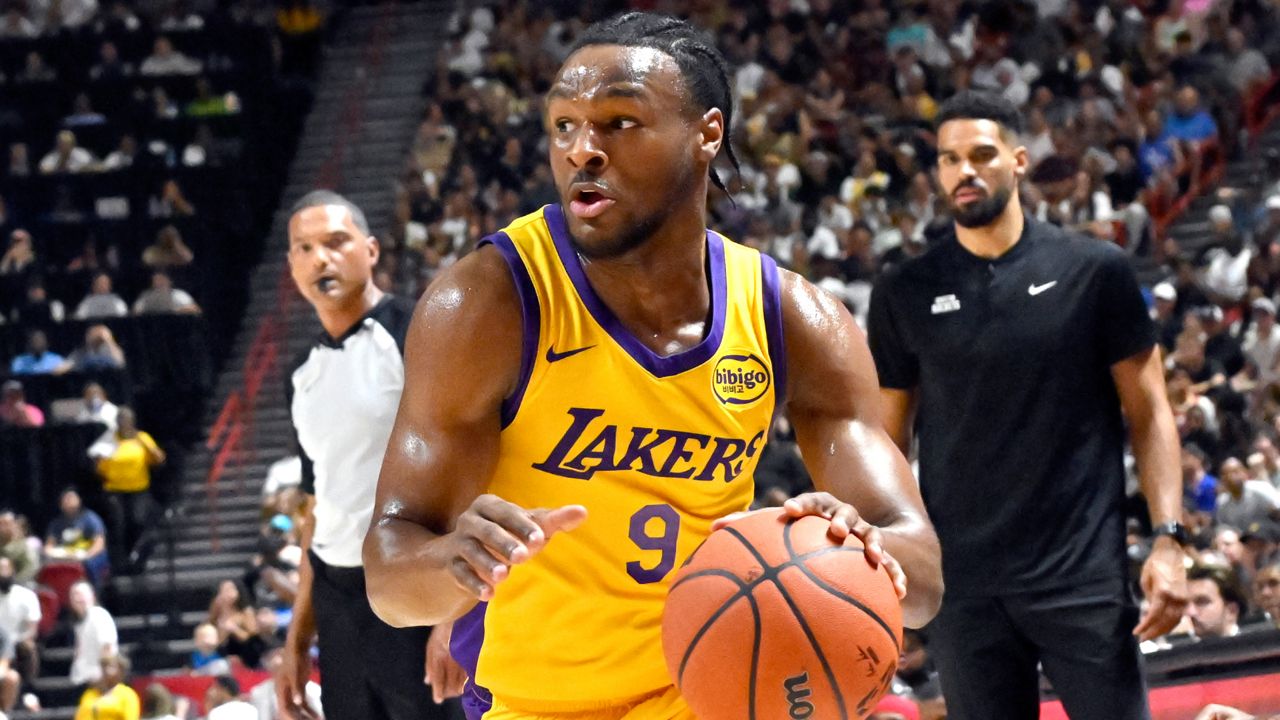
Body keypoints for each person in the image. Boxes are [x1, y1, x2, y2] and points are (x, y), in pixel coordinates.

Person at [364, 13, 943, 720]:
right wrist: (453, 562)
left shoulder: (793, 319)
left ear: (707, 134)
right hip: (534, 700)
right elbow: (390, 577)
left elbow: (922, 582)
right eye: (565, 126)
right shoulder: (488, 303)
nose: (584, 151)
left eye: (619, 122)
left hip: (708, 692)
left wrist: (858, 548)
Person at [866, 90, 1187, 720]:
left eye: (982, 154)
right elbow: (885, 443)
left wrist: (1168, 540)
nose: (965, 171)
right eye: (949, 159)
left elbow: (1150, 414)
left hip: (1082, 573)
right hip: (963, 586)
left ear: (1017, 161)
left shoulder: (1095, 270)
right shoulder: (904, 290)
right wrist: (884, 558)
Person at [277, 190, 459, 720]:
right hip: (337, 604)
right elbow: (318, 507)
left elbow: (468, 472)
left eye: (336, 242)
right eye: (305, 249)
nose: (321, 259)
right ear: (291, 265)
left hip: (413, 586)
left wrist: (453, 616)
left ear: (371, 249)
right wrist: (296, 639)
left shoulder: (417, 333)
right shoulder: (300, 373)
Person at [91, 407, 163, 569]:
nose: (123, 422)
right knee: (118, 523)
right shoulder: (109, 439)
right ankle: (119, 562)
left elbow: (158, 458)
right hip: (115, 490)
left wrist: (149, 448)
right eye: (120, 419)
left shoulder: (142, 437)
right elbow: (97, 466)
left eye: (126, 419)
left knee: (138, 521)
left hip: (138, 489)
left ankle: (137, 555)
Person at [44, 488, 109, 585]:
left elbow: (99, 543)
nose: (69, 501)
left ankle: (94, 593)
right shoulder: (56, 523)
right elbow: (49, 546)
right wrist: (52, 554)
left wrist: (86, 556)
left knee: (90, 564)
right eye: (66, 499)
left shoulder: (90, 518)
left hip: (88, 555)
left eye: (72, 498)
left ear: (79, 500)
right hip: (65, 556)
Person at [68, 581, 118, 687]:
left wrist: (104, 677)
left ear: (92, 597)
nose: (77, 599)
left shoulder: (98, 615)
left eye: (81, 595)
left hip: (97, 679)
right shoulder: (80, 622)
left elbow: (107, 647)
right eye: (74, 595)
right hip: (84, 678)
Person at [0, 557, 38, 687]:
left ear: (13, 571)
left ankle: (28, 688)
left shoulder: (26, 596)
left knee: (29, 647)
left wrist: (18, 640)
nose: (2, 574)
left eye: (5, 569)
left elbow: (32, 628)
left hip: (19, 642)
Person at [1186, 564, 1246, 639]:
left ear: (1231, 611)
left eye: (1202, 602)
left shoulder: (1256, 648)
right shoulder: (1180, 648)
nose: (1190, 612)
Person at [74, 655, 139, 720]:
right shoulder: (89, 694)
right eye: (102, 666)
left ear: (121, 672)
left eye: (110, 666)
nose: (104, 670)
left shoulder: (127, 695)